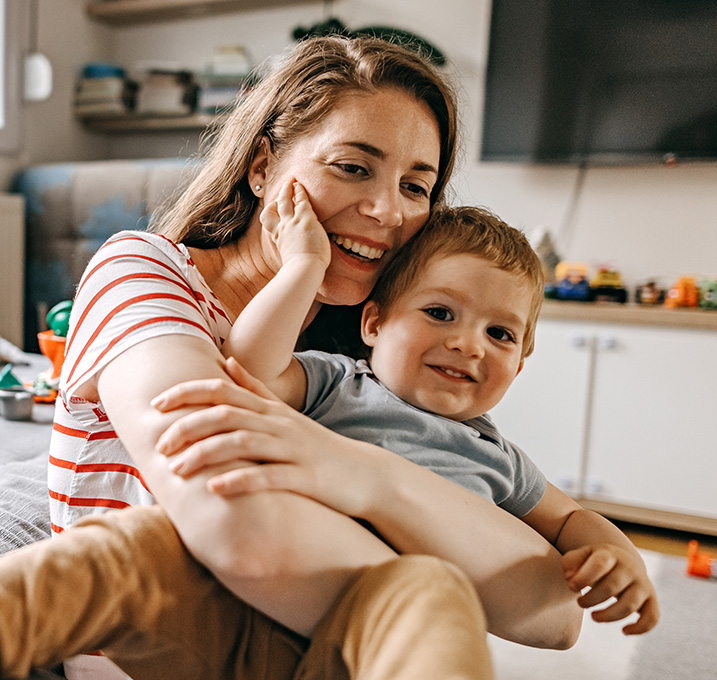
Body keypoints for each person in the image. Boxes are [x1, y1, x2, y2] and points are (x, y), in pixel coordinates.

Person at [0, 35, 582, 680]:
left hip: (305, 649)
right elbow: (233, 514)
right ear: (261, 168)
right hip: (157, 644)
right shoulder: (144, 272)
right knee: (431, 593)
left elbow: (555, 612)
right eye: (352, 167)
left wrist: (363, 474)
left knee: (429, 594)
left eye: (416, 187)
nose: (387, 210)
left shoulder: (374, 347)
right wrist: (436, 554)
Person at [161, 194, 658, 635]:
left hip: (414, 632)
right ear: (374, 323)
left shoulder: (498, 458)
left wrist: (621, 557)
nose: (468, 345)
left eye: (500, 334)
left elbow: (570, 516)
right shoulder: (342, 384)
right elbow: (250, 367)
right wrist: (305, 266)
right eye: (440, 313)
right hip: (285, 600)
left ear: (519, 369)